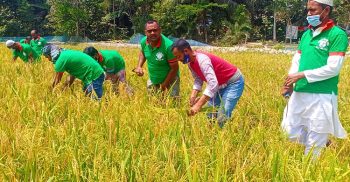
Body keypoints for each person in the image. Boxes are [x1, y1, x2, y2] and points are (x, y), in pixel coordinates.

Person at [281, 0, 348, 158]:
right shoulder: (306, 34)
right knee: (289, 130)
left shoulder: (337, 35)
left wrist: (302, 75)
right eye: (308, 10)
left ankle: (310, 169)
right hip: (300, 90)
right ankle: (325, 142)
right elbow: (297, 61)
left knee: (315, 136)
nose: (309, 14)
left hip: (322, 94)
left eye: (313, 10)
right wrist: (290, 80)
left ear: (326, 11)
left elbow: (333, 68)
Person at [171, 39, 244, 127]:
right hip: (219, 85)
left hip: (233, 83)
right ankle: (213, 134)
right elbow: (198, 79)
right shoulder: (190, 63)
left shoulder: (202, 60)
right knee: (210, 114)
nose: (178, 59)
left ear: (186, 51)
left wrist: (198, 105)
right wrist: (193, 95)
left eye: (179, 56)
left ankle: (222, 135)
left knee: (222, 116)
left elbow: (213, 83)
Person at [134, 20, 180, 98]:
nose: (152, 33)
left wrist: (164, 85)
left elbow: (174, 68)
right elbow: (143, 52)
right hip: (153, 78)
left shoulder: (169, 46)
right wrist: (139, 66)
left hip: (170, 79)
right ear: (145, 32)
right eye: (149, 31)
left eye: (155, 30)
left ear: (160, 30)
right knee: (153, 103)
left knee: (171, 104)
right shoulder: (144, 42)